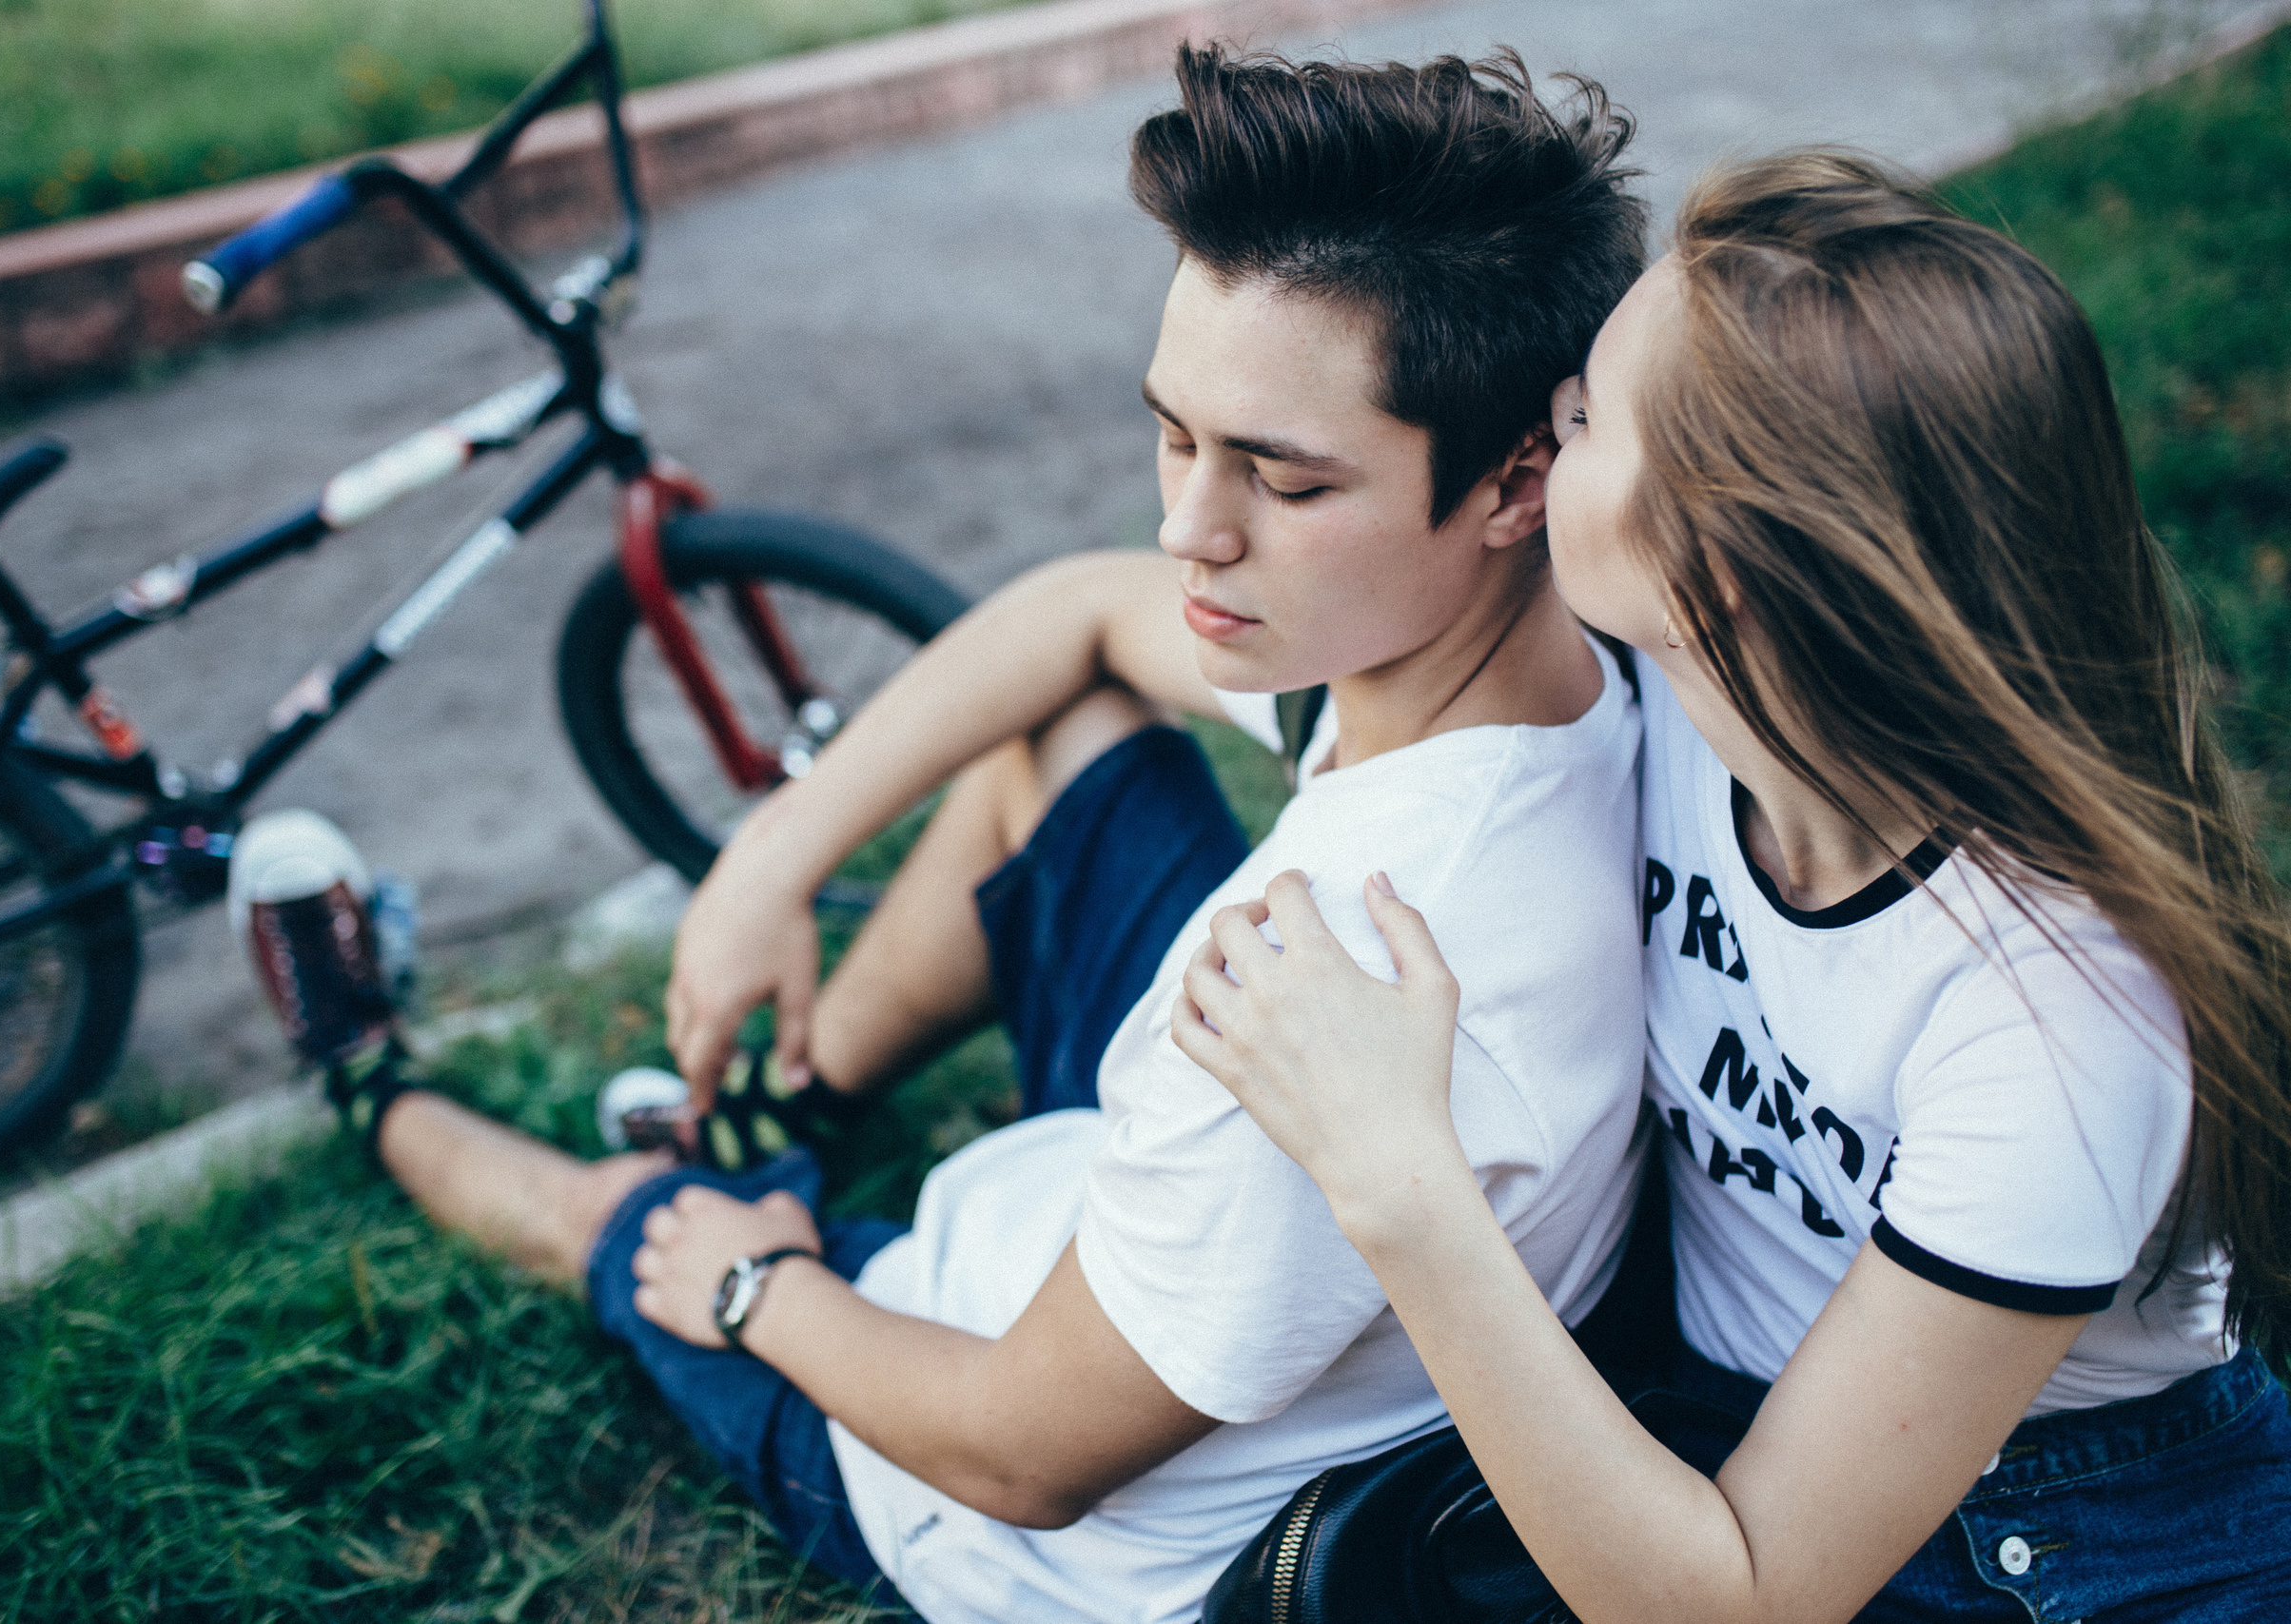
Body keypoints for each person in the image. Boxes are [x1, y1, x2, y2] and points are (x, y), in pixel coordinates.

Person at [346, 45, 1659, 1621]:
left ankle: (358, 1067)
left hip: (1006, 1515)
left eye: (1286, 483)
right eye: (1179, 434)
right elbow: (1081, 619)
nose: (1191, 526)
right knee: (1072, 733)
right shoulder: (1548, 665)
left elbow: (1021, 1456)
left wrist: (762, 1285)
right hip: (1141, 1246)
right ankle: (793, 1100)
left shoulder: (1328, 992)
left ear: (1519, 479)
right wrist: (775, 857)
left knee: (626, 1231)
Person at [1173, 150, 2291, 1621]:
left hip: (2030, 1528)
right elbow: (1135, 621)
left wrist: (1396, 1177)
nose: (1539, 438)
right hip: (1707, 1410)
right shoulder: (1674, 690)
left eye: (1580, 423)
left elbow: (1738, 1601)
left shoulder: (2062, 1016)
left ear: (1718, 564)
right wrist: (769, 878)